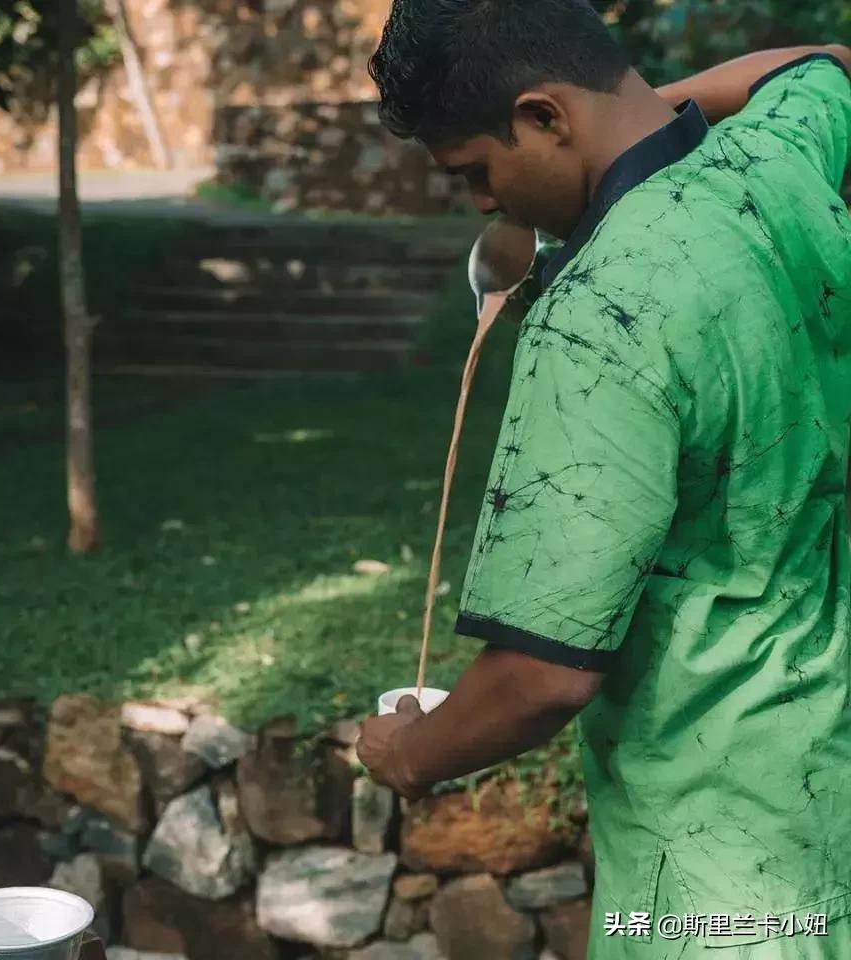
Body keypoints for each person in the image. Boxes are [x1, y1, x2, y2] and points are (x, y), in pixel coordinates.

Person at [354, 1, 851, 957]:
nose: (482, 206)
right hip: (825, 782)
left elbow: (541, 675)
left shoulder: (598, 318)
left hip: (714, 862)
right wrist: (641, 116)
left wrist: (410, 755)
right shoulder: (770, 165)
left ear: (544, 116)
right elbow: (823, 64)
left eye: (476, 174)